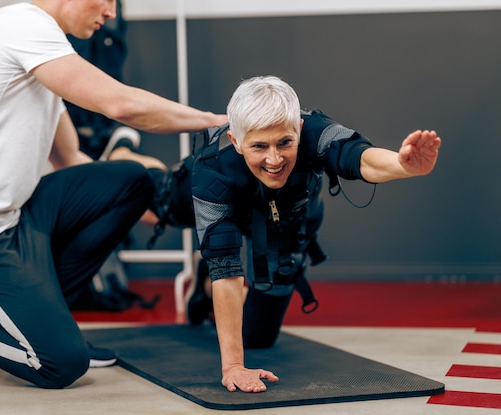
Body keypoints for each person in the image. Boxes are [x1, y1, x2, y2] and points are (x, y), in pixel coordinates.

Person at [0, 0, 226, 389]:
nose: (111, 13)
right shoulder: (21, 24)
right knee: (58, 363)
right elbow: (120, 104)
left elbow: (70, 159)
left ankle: (51, 322)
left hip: (16, 225)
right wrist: (218, 123)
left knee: (132, 180)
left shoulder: (46, 52)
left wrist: (157, 204)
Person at [149, 75, 441, 393]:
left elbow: (358, 158)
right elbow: (225, 265)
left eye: (284, 143)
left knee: (258, 336)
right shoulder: (213, 166)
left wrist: (403, 166)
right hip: (216, 196)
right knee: (153, 199)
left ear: (298, 131)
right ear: (235, 141)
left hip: (279, 219)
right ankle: (128, 157)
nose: (275, 160)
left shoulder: (314, 128)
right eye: (259, 146)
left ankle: (202, 286)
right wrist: (233, 366)